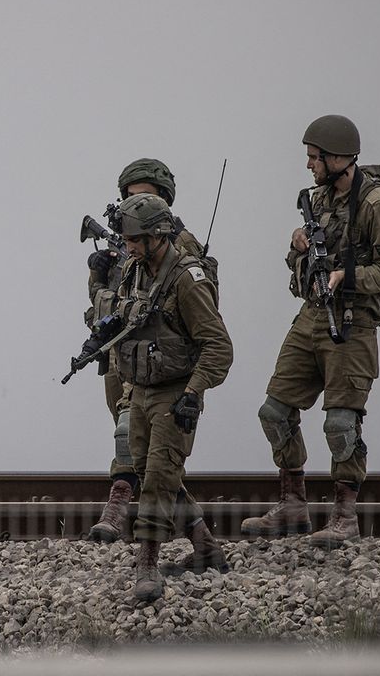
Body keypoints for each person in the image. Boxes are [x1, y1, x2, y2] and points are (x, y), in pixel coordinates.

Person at [240, 115, 380, 547]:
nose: (310, 165)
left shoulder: (377, 204)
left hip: (353, 323)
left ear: (339, 158)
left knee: (340, 423)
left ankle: (344, 515)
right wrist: (298, 249)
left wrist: (343, 278)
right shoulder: (318, 200)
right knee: (274, 411)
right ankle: (292, 502)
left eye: (315, 157)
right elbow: (298, 266)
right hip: (311, 317)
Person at [95, 193, 233, 601]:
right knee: (151, 472)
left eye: (136, 239)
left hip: (175, 392)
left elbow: (219, 346)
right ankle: (206, 547)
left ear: (158, 235)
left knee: (157, 477)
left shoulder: (186, 280)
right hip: (139, 388)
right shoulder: (134, 273)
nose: (129, 247)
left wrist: (194, 392)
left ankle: (147, 564)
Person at [86, 159, 209, 543]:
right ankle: (203, 540)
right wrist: (98, 271)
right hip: (122, 354)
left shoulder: (180, 244)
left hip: (161, 357)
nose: (135, 206)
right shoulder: (125, 240)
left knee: (140, 443)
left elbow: (199, 306)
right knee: (140, 449)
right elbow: (105, 304)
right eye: (130, 197)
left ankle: (120, 509)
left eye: (146, 197)